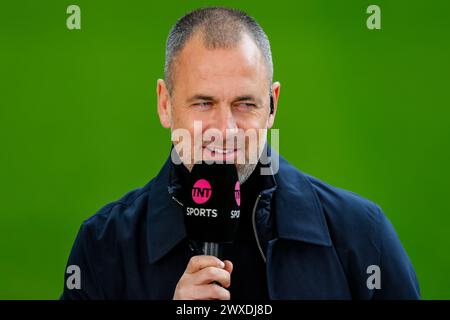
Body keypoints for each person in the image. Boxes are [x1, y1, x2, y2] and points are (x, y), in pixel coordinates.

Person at [61, 7, 420, 300]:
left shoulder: (360, 233)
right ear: (165, 103)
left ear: (273, 105)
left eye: (245, 104)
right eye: (203, 103)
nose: (225, 128)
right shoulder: (103, 247)